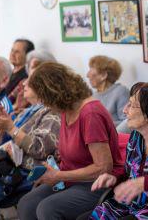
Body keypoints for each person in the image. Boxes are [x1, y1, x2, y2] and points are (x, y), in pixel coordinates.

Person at [17, 62, 125, 220]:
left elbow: (103, 168)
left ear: (53, 93)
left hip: (97, 183)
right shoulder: (66, 110)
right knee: (26, 203)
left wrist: (59, 175)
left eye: (43, 97)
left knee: (48, 209)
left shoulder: (90, 114)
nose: (42, 103)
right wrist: (54, 171)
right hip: (72, 178)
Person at [0, 58, 61, 220]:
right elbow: (0, 146)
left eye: (29, 82)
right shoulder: (28, 110)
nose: (23, 84)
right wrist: (1, 130)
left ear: (44, 87)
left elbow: (39, 149)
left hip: (28, 172)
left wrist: (11, 127)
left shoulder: (52, 113)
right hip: (9, 166)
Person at [86, 82, 148, 219]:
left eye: (132, 105)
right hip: (131, 203)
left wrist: (144, 183)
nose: (124, 110)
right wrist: (114, 178)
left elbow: (141, 182)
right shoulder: (136, 138)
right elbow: (129, 174)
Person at [87, 55, 130, 133]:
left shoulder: (121, 91)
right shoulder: (93, 96)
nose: (87, 75)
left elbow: (127, 122)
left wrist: (101, 125)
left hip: (115, 137)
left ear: (103, 75)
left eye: (91, 70)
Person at [6, 39, 34, 103]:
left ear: (27, 55)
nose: (12, 54)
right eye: (12, 50)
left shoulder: (27, 76)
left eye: (17, 52)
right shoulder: (7, 72)